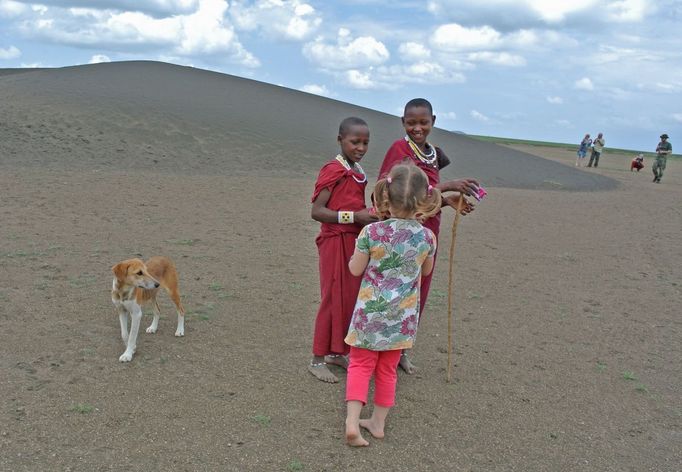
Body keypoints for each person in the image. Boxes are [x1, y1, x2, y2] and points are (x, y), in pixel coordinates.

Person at [377, 98, 479, 374]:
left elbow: (426, 194)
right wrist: (445, 186)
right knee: (393, 291)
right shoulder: (399, 149)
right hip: (401, 234)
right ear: (403, 122)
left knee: (417, 293)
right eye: (411, 123)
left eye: (423, 122)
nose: (417, 128)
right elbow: (392, 191)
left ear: (434, 120)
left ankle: (401, 351)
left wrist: (447, 200)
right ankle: (378, 350)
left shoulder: (434, 154)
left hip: (427, 233)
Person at [344, 164, 440, 446]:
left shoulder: (371, 232)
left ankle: (352, 423)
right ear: (424, 198)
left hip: (369, 315)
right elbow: (425, 271)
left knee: (360, 365)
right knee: (387, 370)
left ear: (385, 195)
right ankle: (377, 423)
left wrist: (357, 257)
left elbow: (355, 270)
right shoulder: (427, 237)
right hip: (402, 318)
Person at [309, 117, 378, 383]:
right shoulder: (333, 169)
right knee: (330, 298)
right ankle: (316, 359)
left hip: (353, 243)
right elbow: (317, 212)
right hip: (334, 241)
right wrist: (354, 217)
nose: (360, 147)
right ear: (340, 140)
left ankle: (337, 353)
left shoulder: (357, 169)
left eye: (365, 143)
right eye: (355, 142)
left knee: (348, 299)